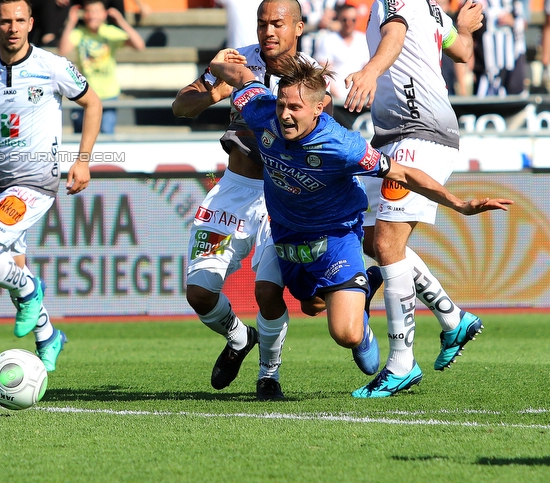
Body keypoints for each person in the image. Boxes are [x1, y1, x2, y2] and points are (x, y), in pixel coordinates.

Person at [210, 51, 511, 395]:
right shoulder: (260, 110)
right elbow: (239, 76)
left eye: (294, 108)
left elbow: (403, 173)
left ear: (318, 108)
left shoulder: (342, 145)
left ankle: (355, 317)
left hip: (336, 235)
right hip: (285, 231)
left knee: (346, 334)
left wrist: (459, 204)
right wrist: (217, 63)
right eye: (281, 105)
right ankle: (271, 375)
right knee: (307, 304)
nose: (284, 114)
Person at [344, 0, 487, 398]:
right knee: (374, 238)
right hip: (399, 133)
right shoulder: (428, 0)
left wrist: (369, 71)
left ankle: (402, 361)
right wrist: (460, 25)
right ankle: (452, 317)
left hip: (417, 129)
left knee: (386, 242)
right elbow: (462, 52)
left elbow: (397, 34)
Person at [0, 0, 102, 371]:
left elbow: (93, 103)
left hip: (34, 181)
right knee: (13, 268)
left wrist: (83, 161)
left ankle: (32, 291)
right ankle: (48, 335)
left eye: (20, 20)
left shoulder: (52, 65)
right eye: (5, 20)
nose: (13, 27)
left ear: (31, 23)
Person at [172, 0, 316, 401]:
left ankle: (268, 374)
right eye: (261, 23)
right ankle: (239, 338)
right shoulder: (235, 61)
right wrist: (218, 90)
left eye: (278, 24)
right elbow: (181, 105)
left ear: (298, 28)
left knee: (268, 291)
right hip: (234, 192)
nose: (268, 31)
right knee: (199, 292)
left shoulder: (315, 76)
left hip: (282, 198)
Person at [58, 0, 145, 134]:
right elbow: (62, 50)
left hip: (108, 95)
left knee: (106, 134)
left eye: (97, 11)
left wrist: (121, 21)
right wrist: (70, 23)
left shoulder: (109, 31)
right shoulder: (80, 33)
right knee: (81, 135)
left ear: (104, 14)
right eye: (89, 11)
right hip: (84, 93)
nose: (93, 15)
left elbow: (139, 45)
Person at [466, 0, 527, 96]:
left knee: (512, 98)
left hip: (509, 61)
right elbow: (467, 29)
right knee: (483, 101)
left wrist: (512, 21)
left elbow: (522, 23)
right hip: (484, 62)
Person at [312, 4, 368, 99]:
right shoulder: (328, 40)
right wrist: (337, 96)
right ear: (338, 20)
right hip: (335, 98)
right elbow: (324, 71)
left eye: (353, 20)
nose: (348, 23)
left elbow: (367, 69)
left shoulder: (363, 40)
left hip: (360, 98)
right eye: (344, 20)